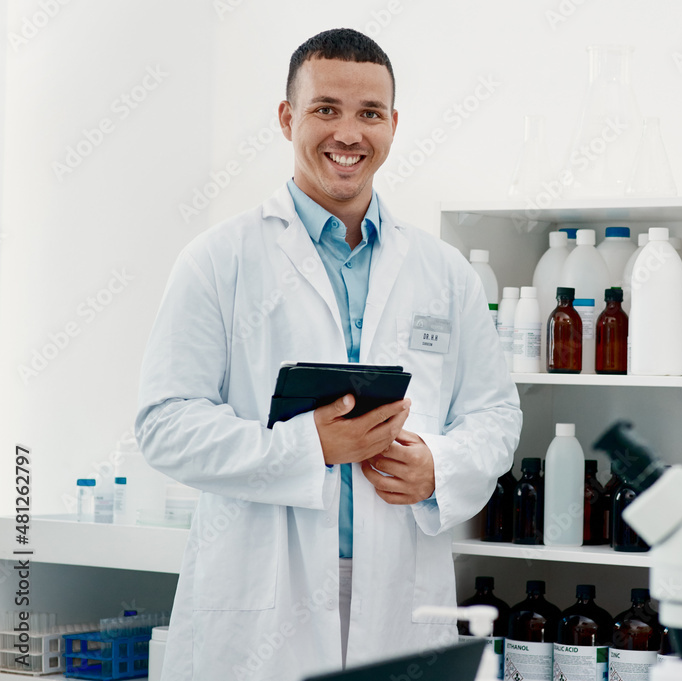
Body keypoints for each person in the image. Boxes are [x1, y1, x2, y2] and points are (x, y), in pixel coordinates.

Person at [135, 28, 521, 680]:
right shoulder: (219, 261)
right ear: (288, 118)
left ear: (393, 125)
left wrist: (440, 466)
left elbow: (495, 415)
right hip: (260, 594)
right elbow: (164, 423)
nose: (349, 133)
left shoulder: (444, 272)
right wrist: (308, 446)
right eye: (325, 110)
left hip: (402, 588)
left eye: (370, 113)